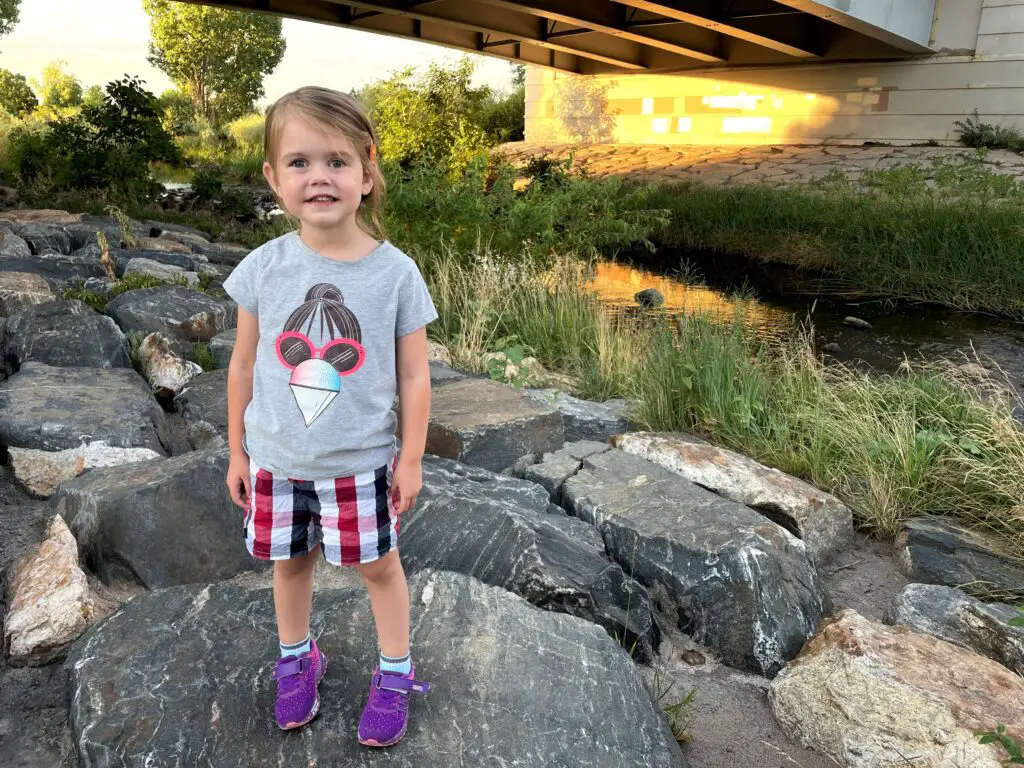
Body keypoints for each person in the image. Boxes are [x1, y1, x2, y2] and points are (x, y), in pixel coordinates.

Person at [223, 86, 436, 746]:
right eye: (300, 162)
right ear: (273, 178)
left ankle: (395, 671)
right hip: (277, 460)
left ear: (367, 171)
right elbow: (242, 365)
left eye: (338, 161)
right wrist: (236, 452)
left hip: (359, 464)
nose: (320, 177)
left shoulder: (396, 274)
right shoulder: (263, 267)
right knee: (289, 565)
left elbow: (414, 374)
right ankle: (297, 659)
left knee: (379, 568)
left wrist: (410, 458)